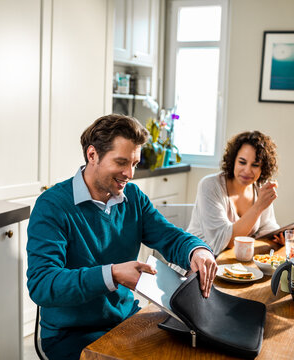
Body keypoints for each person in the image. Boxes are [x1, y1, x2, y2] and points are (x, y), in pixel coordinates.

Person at [26, 114, 217, 360]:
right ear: (92, 155)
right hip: (70, 333)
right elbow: (42, 285)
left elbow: (169, 236)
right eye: (121, 162)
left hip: (125, 317)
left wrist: (197, 251)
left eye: (135, 163)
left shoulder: (133, 197)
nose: (130, 173)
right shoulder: (52, 206)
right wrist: (112, 274)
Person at [186, 130, 283, 256]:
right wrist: (259, 206)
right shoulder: (210, 186)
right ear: (233, 161)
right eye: (242, 162)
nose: (247, 170)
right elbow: (224, 242)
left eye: (255, 165)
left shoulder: (259, 188)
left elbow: (267, 226)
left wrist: (281, 235)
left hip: (233, 262)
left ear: (263, 168)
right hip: (197, 263)